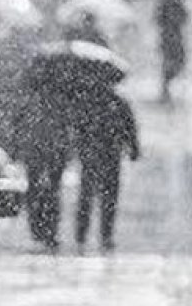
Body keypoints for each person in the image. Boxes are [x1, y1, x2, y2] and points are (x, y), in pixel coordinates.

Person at [10, 57, 76, 247]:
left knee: (35, 189)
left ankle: (38, 228)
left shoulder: (29, 99)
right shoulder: (61, 100)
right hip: (53, 150)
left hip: (36, 150)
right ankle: (48, 229)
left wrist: (16, 147)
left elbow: (17, 126)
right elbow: (67, 127)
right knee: (52, 191)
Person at [72, 86, 139, 248]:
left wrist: (79, 147)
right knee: (108, 197)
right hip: (111, 155)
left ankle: (81, 234)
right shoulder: (119, 102)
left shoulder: (87, 101)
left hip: (91, 155)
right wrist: (133, 148)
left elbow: (77, 128)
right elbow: (129, 128)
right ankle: (105, 235)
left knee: (87, 195)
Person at [156, 0, 189, 102]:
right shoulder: (166, 3)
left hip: (174, 38)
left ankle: (167, 87)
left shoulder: (176, 3)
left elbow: (185, 17)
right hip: (169, 38)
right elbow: (158, 19)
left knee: (176, 62)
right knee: (170, 63)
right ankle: (166, 88)